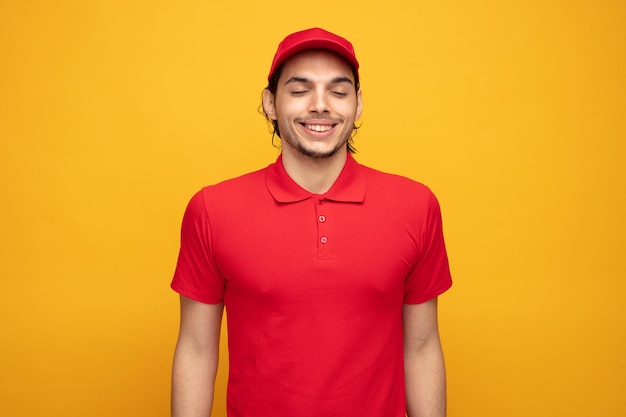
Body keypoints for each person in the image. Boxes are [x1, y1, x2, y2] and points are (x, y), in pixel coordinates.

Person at [171, 27, 452, 417]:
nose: (320, 105)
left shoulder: (415, 205)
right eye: (300, 90)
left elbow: (421, 346)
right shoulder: (212, 209)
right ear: (270, 103)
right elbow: (197, 350)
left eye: (338, 91)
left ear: (358, 105)